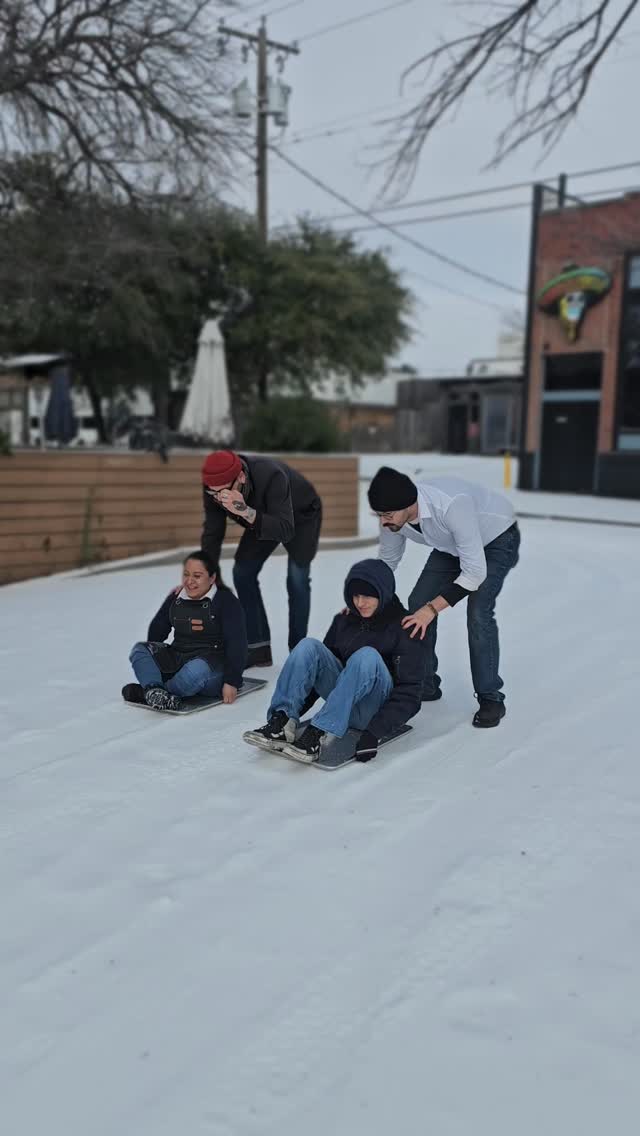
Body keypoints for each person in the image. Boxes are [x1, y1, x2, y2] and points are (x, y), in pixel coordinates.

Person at [367, 466, 520, 728]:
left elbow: (474, 573)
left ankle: (490, 697)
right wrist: (368, 596)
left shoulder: (450, 506)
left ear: (408, 505)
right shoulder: (393, 517)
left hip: (495, 538)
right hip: (451, 544)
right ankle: (425, 683)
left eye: (388, 515)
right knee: (417, 604)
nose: (383, 521)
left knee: (478, 613)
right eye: (379, 515)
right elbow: (388, 561)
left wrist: (433, 609)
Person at [243, 558, 424, 764]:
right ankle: (282, 722)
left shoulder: (405, 626)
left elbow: (410, 694)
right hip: (343, 704)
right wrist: (297, 712)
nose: (360, 603)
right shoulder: (345, 620)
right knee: (308, 646)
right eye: (355, 595)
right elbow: (316, 672)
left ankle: (321, 731)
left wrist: (374, 733)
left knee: (367, 656)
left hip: (374, 712)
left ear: (383, 593)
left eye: (367, 596)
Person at [200, 450, 322, 669]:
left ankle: (298, 652)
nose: (219, 498)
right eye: (214, 494)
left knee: (297, 580)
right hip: (261, 519)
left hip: (301, 517)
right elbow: (213, 531)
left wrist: (245, 510)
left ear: (241, 478)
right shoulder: (214, 487)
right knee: (242, 571)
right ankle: (258, 648)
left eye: (224, 493)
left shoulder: (272, 475)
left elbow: (285, 530)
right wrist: (208, 573)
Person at [123, 550, 247, 712]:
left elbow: (237, 643)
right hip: (179, 657)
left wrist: (232, 681)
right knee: (139, 649)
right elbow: (157, 631)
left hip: (212, 666)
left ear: (212, 578)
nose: (190, 581)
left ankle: (150, 692)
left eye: (197, 576)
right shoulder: (177, 597)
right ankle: (155, 690)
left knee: (196, 671)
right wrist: (154, 662)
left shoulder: (226, 601)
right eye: (186, 575)